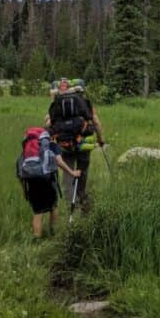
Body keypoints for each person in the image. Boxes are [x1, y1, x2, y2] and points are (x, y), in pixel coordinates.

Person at [46, 78, 104, 214]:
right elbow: (96, 122)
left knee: (68, 178)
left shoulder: (57, 104)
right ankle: (83, 204)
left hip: (66, 146)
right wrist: (101, 140)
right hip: (84, 146)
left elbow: (49, 124)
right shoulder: (84, 104)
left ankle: (72, 210)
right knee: (82, 176)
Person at [18, 127, 81, 240]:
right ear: (53, 137)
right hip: (47, 179)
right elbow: (58, 160)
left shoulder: (31, 147)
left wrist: (24, 190)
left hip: (31, 179)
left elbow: (20, 168)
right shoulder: (52, 145)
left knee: (37, 211)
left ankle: (37, 239)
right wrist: (72, 172)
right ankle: (53, 234)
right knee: (53, 206)